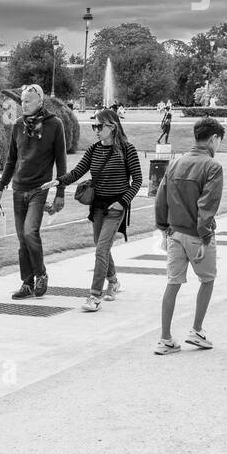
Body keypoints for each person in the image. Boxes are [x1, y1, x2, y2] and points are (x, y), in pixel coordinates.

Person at [57, 107, 143, 311]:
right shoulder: (94, 149)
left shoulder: (127, 149)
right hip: (98, 206)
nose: (95, 129)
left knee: (101, 249)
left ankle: (94, 296)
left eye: (99, 126)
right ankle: (113, 281)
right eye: (94, 125)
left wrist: (123, 202)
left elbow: (138, 180)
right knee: (100, 246)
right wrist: (58, 182)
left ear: (112, 127)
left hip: (116, 207)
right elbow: (78, 171)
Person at [153, 117, 225, 354]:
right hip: (197, 235)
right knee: (207, 280)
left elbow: (161, 198)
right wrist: (205, 236)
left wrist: (163, 228)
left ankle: (165, 338)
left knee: (173, 283)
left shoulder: (175, 163)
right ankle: (196, 329)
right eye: (219, 141)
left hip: (174, 233)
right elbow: (207, 206)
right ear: (213, 139)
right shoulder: (212, 167)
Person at [0, 83, 67, 298]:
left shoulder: (55, 125)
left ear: (40, 102)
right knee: (21, 239)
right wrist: (0, 187)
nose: (23, 104)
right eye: (22, 101)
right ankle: (27, 283)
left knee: (29, 232)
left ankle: (41, 274)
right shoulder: (18, 125)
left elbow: (61, 162)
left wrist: (60, 193)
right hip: (18, 188)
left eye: (27, 101)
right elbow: (11, 160)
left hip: (39, 188)